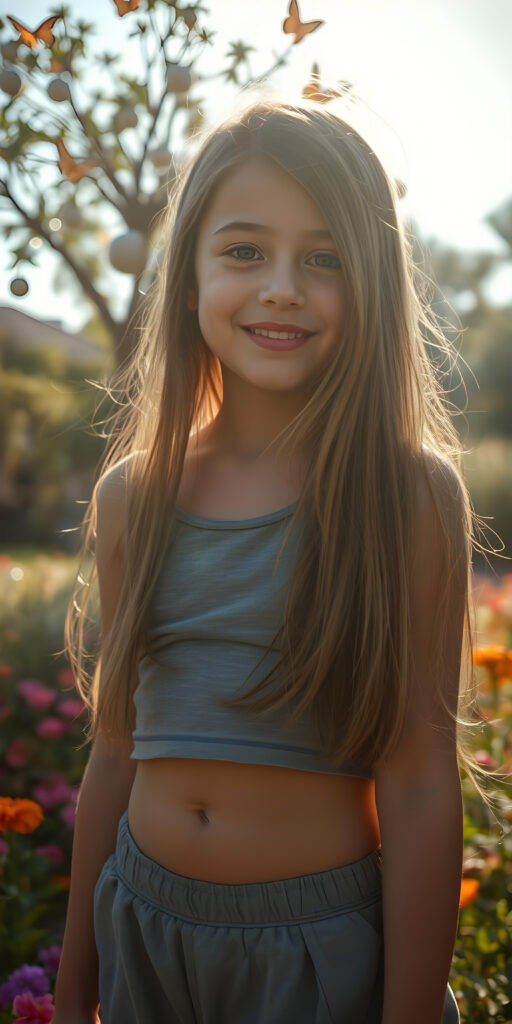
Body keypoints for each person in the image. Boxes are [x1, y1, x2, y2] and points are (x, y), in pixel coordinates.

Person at [52, 95, 490, 1024]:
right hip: (143, 927)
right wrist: (76, 977)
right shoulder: (134, 496)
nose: (282, 286)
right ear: (189, 275)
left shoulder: (408, 498)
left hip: (317, 954)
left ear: (371, 281)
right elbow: (117, 748)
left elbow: (416, 780)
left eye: (324, 257)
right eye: (245, 250)